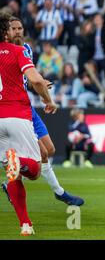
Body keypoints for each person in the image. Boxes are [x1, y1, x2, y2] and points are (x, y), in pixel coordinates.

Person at [2, 17, 84, 209]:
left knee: (50, 149)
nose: (18, 31)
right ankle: (59, 192)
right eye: (13, 28)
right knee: (42, 154)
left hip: (26, 106)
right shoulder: (5, 51)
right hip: (12, 109)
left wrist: (40, 82)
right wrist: (46, 97)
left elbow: (27, 77)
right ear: (6, 32)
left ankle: (10, 183)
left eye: (20, 28)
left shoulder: (26, 50)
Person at [0, 11, 57, 236]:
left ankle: (25, 224)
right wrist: (48, 100)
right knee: (32, 169)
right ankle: (20, 160)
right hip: (17, 115)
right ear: (6, 32)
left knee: (12, 174)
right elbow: (34, 79)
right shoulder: (18, 51)